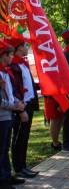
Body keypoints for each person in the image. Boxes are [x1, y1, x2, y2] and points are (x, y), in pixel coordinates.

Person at [8, 38, 39, 178]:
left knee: (25, 136)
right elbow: (14, 89)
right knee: (19, 137)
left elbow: (28, 83)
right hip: (21, 106)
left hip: (29, 103)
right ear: (19, 48)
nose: (27, 47)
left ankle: (23, 165)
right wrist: (20, 110)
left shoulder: (23, 64)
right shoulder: (14, 65)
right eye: (25, 45)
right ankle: (18, 167)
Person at [0, 40, 26, 189]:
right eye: (10, 55)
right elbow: (1, 102)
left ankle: (7, 176)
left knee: (5, 148)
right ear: (3, 56)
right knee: (1, 150)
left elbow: (9, 95)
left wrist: (18, 101)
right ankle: (2, 180)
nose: (11, 58)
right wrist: (15, 107)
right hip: (2, 116)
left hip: (8, 116)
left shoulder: (5, 72)